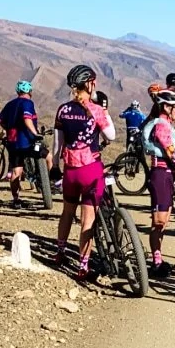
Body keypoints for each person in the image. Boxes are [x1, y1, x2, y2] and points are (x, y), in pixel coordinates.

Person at [52, 64, 116, 280]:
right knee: (87, 221)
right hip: (91, 171)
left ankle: (60, 253)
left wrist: (54, 167)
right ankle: (83, 265)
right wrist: (104, 111)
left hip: (70, 172)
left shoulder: (63, 110)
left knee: (67, 213)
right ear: (89, 84)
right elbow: (112, 135)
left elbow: (57, 145)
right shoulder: (96, 110)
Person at [140, 89, 175, 278]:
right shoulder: (161, 126)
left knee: (163, 222)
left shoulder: (167, 124)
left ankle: (158, 260)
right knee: (159, 222)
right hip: (160, 174)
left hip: (166, 174)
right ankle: (156, 263)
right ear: (167, 107)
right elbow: (171, 155)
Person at [0, 80, 41, 208]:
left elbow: (0, 120)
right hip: (27, 140)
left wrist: (8, 128)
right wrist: (35, 133)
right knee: (47, 157)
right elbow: (27, 119)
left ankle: (16, 199)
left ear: (17, 91)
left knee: (16, 172)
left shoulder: (10, 104)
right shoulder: (27, 103)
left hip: (13, 141)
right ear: (30, 92)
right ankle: (49, 184)